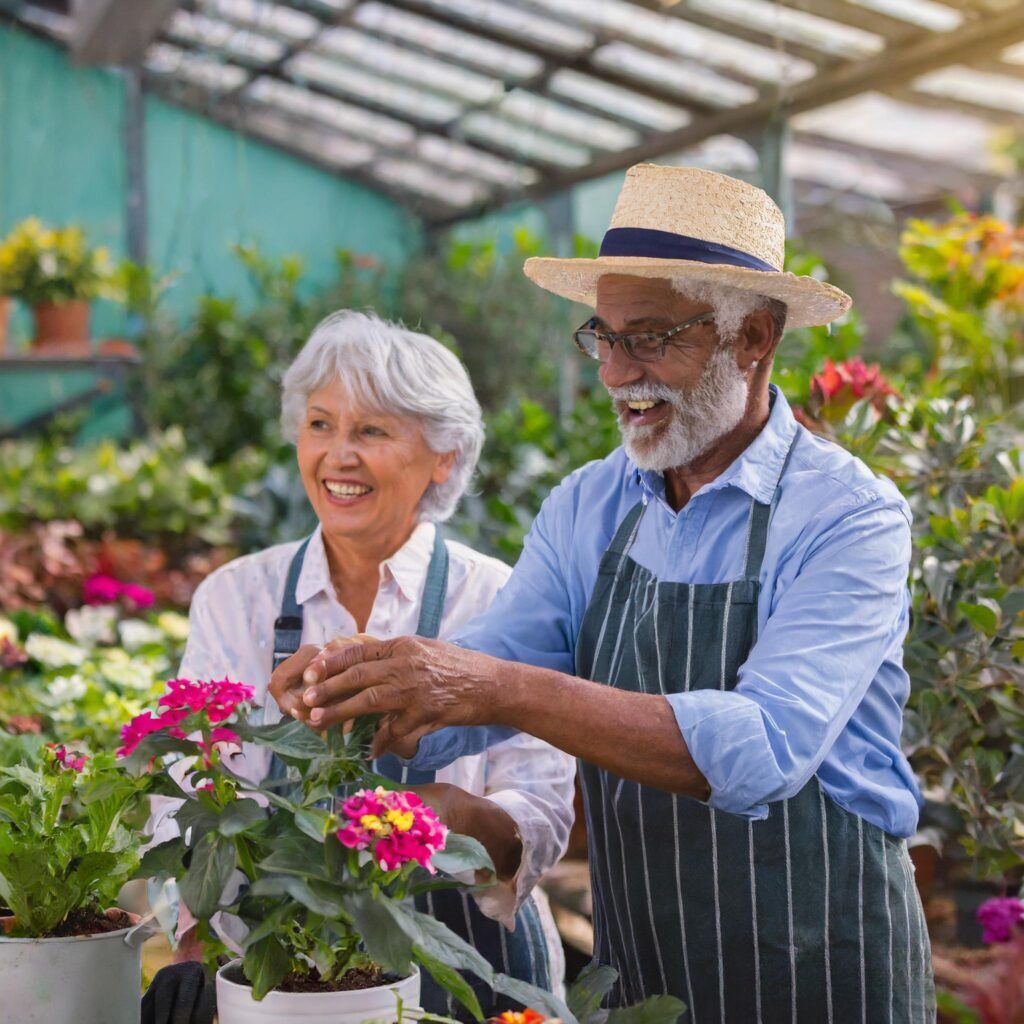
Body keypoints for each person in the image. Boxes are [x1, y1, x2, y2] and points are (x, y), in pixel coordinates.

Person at [275, 165, 935, 1022]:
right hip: (643, 966)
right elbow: (481, 675)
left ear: (753, 337)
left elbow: (763, 749)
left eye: (652, 337)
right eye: (605, 337)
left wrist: (493, 687)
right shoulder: (591, 505)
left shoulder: (846, 517)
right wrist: (366, 686)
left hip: (820, 968)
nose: (618, 372)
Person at [152, 310, 575, 1015]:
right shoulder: (238, 597)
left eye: (372, 431)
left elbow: (540, 817)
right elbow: (186, 790)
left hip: (466, 969)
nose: (338, 455)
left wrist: (448, 817)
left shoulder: (499, 599)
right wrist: (192, 943)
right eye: (321, 425)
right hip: (279, 976)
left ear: (443, 458)